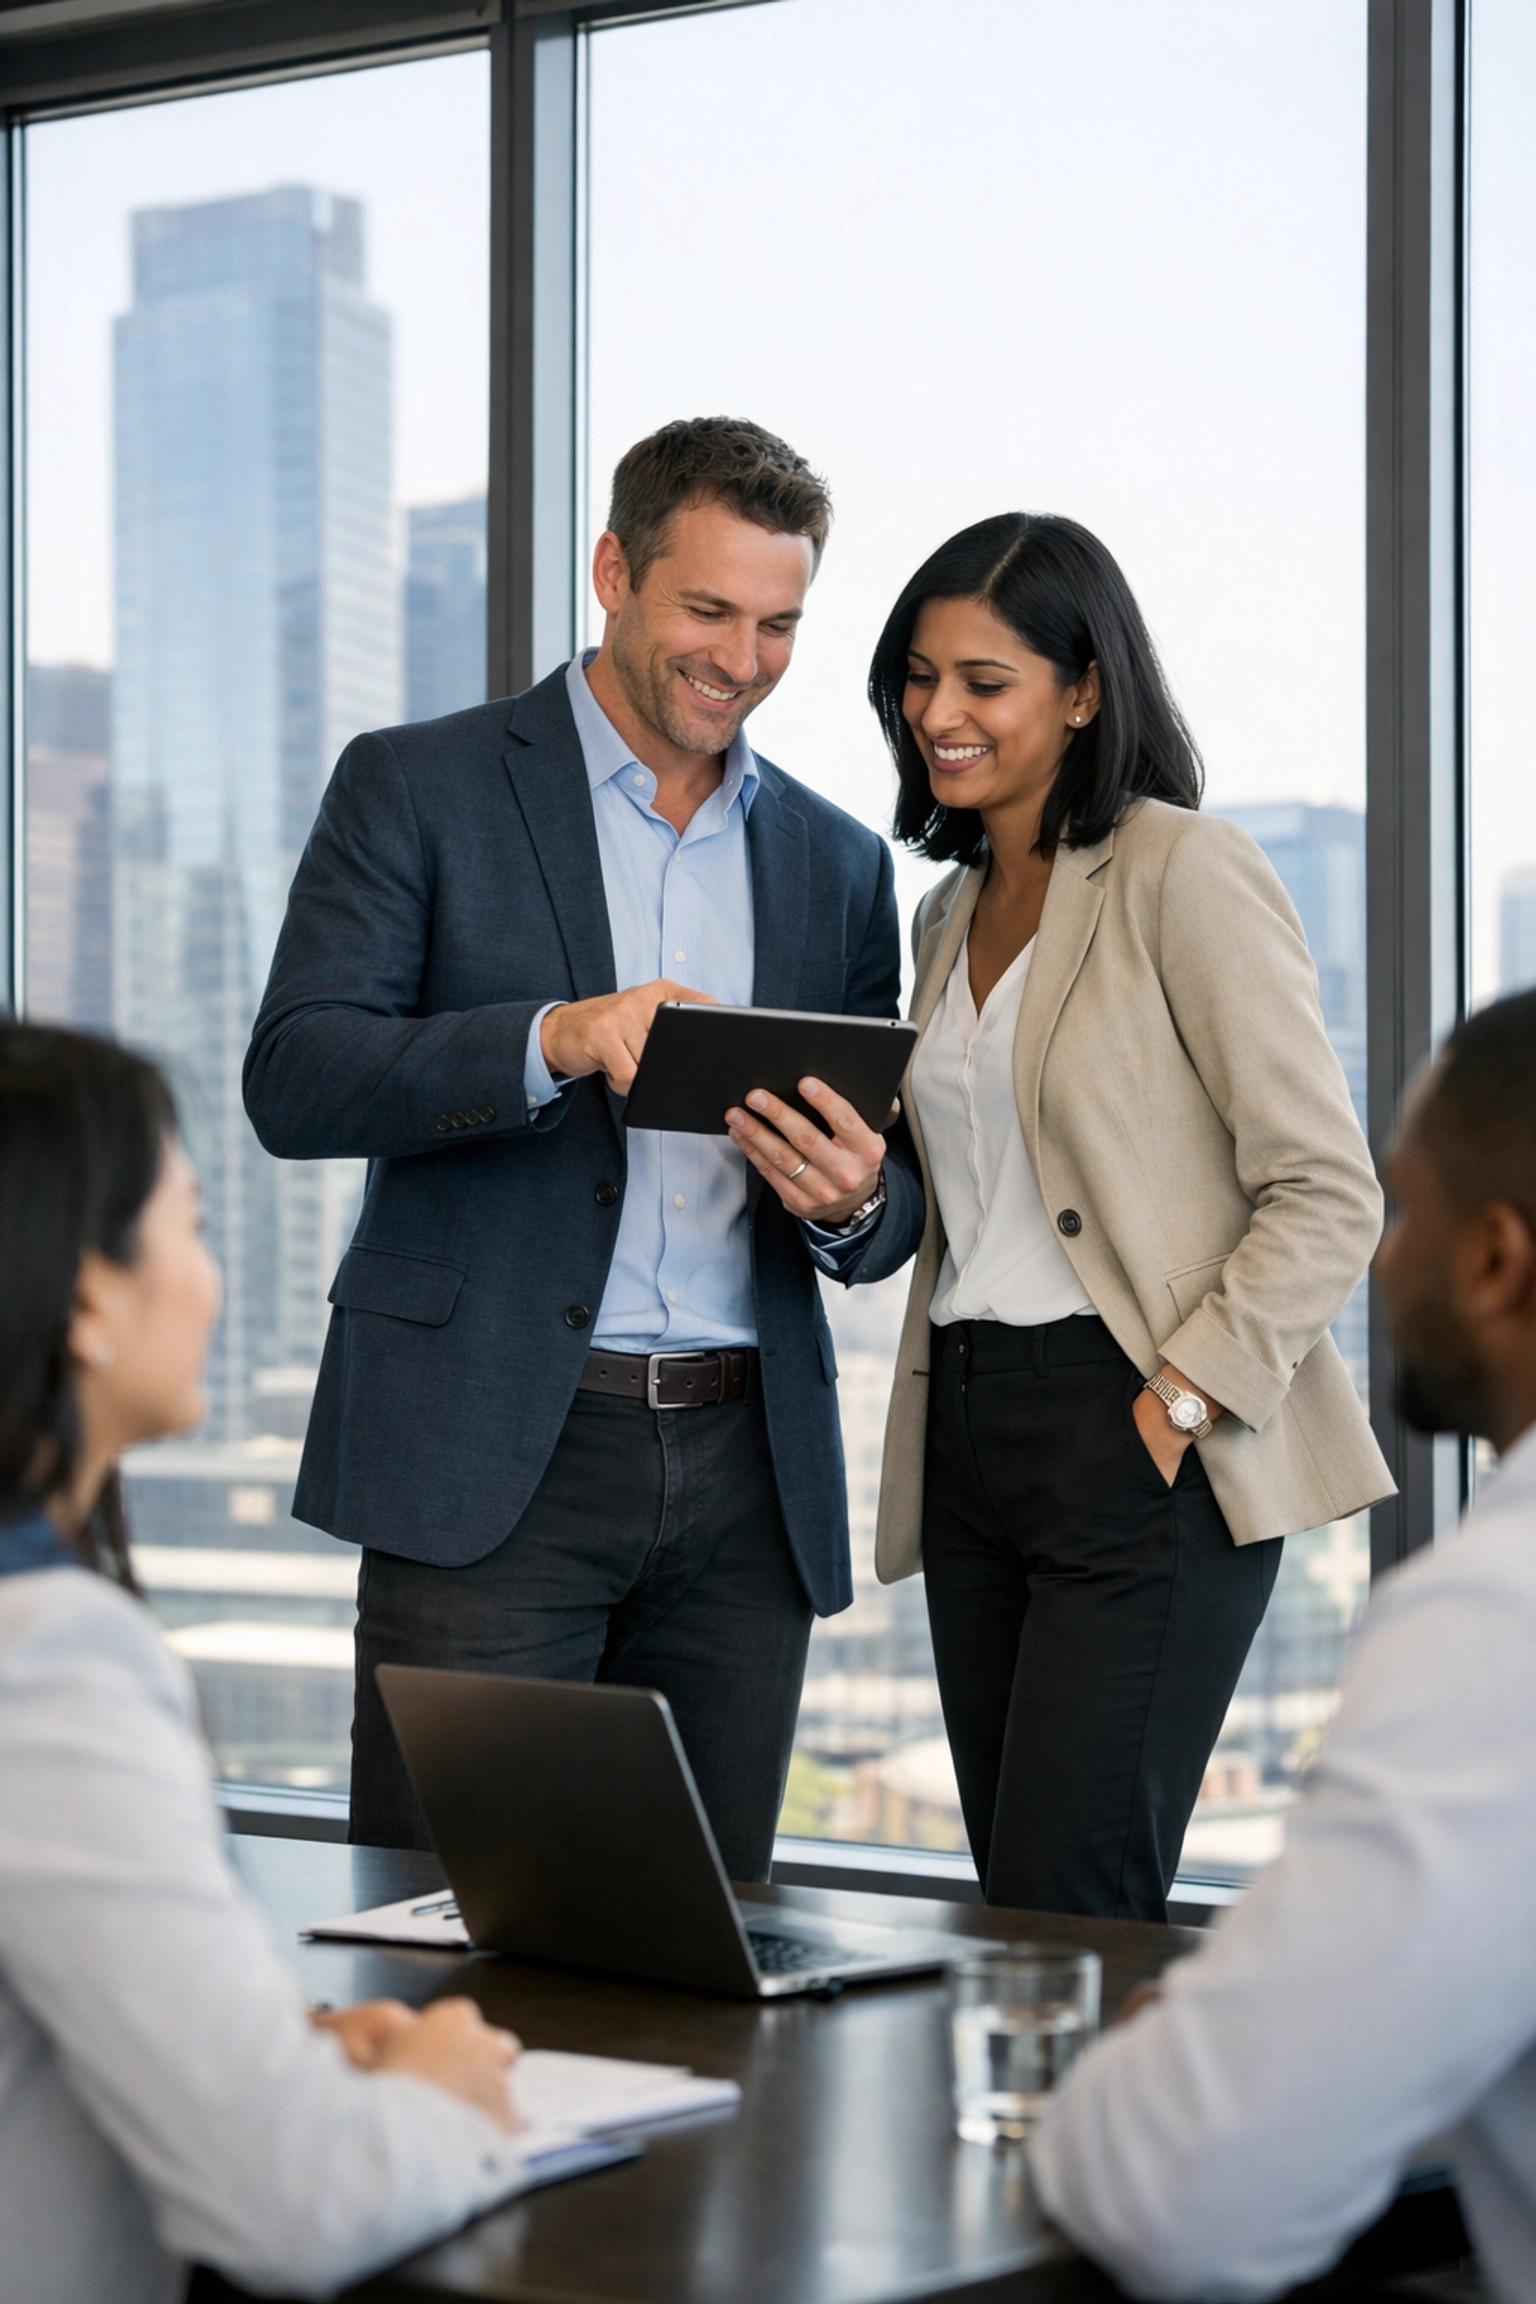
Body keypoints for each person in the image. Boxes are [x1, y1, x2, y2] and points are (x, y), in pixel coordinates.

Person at [244, 416, 924, 1876]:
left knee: (698, 1941)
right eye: (709, 610)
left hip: (747, 1478)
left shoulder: (837, 862)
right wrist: (553, 1038)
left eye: (780, 625)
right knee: (445, 1921)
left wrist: (854, 1201)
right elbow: (296, 1080)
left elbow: (891, 1201)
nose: (742, 660)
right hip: (490, 1458)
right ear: (614, 572)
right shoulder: (417, 786)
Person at [867, 512, 1393, 1921]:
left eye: (986, 682)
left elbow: (1328, 1187)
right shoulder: (945, 913)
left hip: (1136, 1433)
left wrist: (1177, 1400)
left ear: (1084, 691)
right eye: (920, 677)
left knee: (1072, 1901)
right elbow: (965, 1194)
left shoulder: (1181, 869)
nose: (940, 713)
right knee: (1019, 1902)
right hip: (967, 1430)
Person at [0, 1021, 537, 2304]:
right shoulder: (50, 1664)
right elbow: (297, 2200)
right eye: (190, 1227)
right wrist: (444, 2095)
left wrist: (267, 2054)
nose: (210, 1277)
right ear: (88, 1302)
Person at [1029, 989, 1536, 2302]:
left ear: (1497, 1262)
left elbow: (1182, 2195)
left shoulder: (1498, 1625)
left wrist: (1162, 2074)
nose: (1383, 1259)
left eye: (1407, 1212)